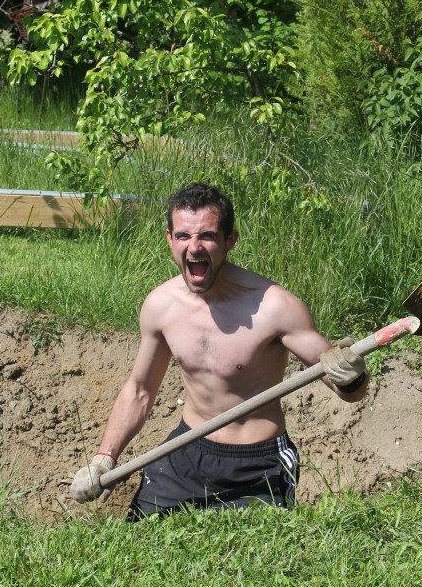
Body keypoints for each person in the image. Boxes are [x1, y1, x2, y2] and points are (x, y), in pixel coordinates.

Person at [70, 183, 368, 518]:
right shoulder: (161, 306)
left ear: (230, 241)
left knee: (255, 563)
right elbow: (139, 390)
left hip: (257, 466)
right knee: (136, 551)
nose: (194, 247)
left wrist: (351, 375)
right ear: (169, 239)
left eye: (207, 236)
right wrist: (104, 458)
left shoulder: (275, 308)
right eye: (183, 236)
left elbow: (347, 390)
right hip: (184, 453)